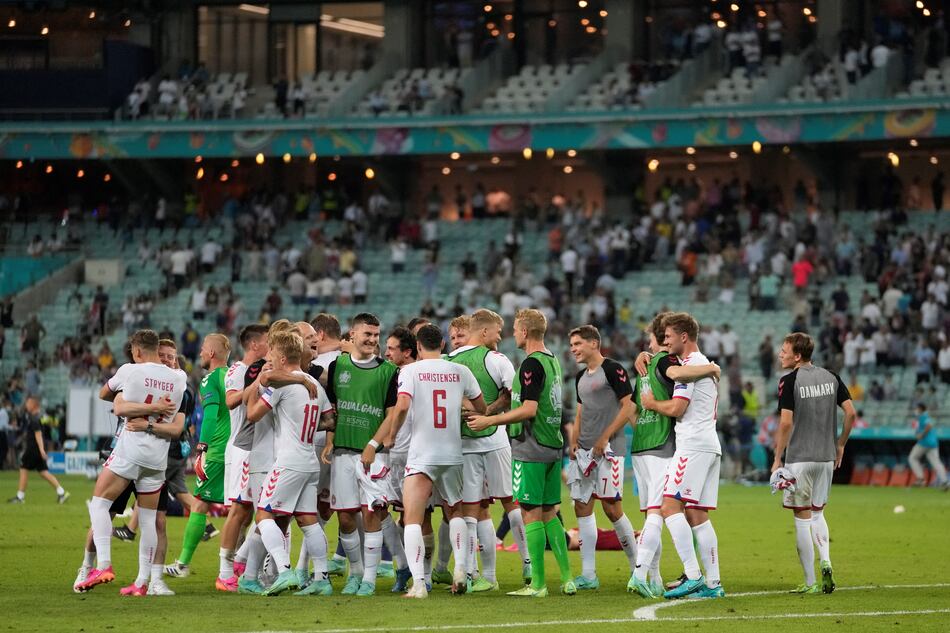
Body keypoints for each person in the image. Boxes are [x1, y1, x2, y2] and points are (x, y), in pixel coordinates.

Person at [362, 324, 486, 598]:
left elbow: (403, 405)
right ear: (442, 344)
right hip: (452, 453)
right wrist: (459, 404)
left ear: (418, 347)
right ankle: (461, 571)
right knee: (455, 513)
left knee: (414, 519)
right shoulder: (460, 371)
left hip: (422, 455)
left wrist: (392, 434)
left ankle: (419, 583)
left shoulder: (410, 371)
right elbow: (481, 408)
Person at [468, 308, 576, 597]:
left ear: (525, 332)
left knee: (529, 513)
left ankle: (538, 585)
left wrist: (489, 420)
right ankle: (568, 579)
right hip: (553, 445)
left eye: (515, 329)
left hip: (531, 446)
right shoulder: (553, 360)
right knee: (550, 513)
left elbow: (529, 409)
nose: (511, 334)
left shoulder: (530, 365)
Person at [75, 330, 186, 594]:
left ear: (136, 351)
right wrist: (156, 407)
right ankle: (142, 582)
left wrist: (135, 401)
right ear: (158, 349)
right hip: (158, 459)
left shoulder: (129, 371)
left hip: (130, 450)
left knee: (100, 504)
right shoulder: (180, 378)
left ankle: (103, 564)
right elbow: (172, 406)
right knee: (148, 521)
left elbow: (106, 396)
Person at [243, 329, 335, 595]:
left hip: (289, 460)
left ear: (282, 358)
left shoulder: (282, 386)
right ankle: (321, 579)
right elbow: (329, 419)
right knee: (308, 520)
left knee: (263, 515)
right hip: (310, 460)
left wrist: (256, 388)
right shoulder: (314, 384)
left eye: (273, 353)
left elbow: (252, 415)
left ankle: (284, 571)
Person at [640, 312, 724, 599]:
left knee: (668, 506)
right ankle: (713, 585)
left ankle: (693, 575)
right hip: (709, 443)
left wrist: (651, 404)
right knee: (696, 513)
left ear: (684, 337)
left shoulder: (690, 366)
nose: (665, 341)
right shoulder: (704, 365)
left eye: (669, 336)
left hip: (692, 445)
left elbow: (677, 409)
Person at [448, 309, 530, 591]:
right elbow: (512, 396)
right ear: (484, 332)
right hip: (495, 440)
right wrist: (489, 416)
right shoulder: (496, 359)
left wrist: (471, 415)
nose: (500, 336)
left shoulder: (450, 362)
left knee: (470, 508)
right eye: (497, 330)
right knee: (511, 501)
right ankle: (528, 565)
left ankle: (474, 574)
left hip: (465, 444)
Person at [772, 332, 856, 594]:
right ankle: (827, 561)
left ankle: (810, 582)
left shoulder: (789, 381)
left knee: (802, 520)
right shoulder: (832, 377)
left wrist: (777, 458)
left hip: (799, 460)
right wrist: (840, 444)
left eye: (784, 350)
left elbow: (786, 423)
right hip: (826, 458)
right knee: (818, 513)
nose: (780, 354)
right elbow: (851, 413)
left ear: (797, 356)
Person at [322, 313, 399, 596]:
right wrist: (330, 438)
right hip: (343, 450)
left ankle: (368, 578)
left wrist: (372, 444)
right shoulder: (337, 364)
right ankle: (354, 572)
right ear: (351, 336)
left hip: (373, 456)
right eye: (366, 334)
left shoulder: (389, 371)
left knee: (372, 514)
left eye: (376, 335)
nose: (372, 340)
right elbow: (332, 406)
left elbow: (392, 416)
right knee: (344, 517)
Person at [566, 325, 638, 590]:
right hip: (583, 452)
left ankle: (636, 570)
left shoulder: (613, 368)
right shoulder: (579, 377)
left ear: (594, 343)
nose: (573, 348)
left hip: (609, 451)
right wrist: (573, 440)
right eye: (571, 344)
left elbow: (629, 405)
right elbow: (580, 412)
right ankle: (589, 574)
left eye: (577, 343)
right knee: (581, 507)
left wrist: (605, 436)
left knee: (611, 508)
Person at [165, 334, 232, 578]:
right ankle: (247, 562)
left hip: (216, 451)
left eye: (203, 349)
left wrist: (202, 447)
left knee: (201, 504)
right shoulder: (234, 375)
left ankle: (182, 564)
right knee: (243, 507)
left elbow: (212, 416)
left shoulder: (210, 379)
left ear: (212, 354)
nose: (201, 353)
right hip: (238, 450)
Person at [216, 324, 270, 591]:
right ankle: (225, 571)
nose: (271, 345)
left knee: (250, 513)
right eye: (268, 341)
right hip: (242, 446)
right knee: (238, 511)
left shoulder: (259, 369)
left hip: (256, 446)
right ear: (254, 345)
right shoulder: (238, 371)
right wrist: (257, 384)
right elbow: (230, 401)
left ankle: (240, 563)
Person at [7, 396, 69, 504]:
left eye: (28, 403)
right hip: (37, 449)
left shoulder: (34, 418)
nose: (26, 405)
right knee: (43, 472)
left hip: (33, 449)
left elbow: (38, 434)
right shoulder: (36, 417)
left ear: (33, 405)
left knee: (23, 468)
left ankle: (20, 497)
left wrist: (41, 450)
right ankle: (61, 493)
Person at [909, 403, 948, 488]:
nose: (916, 410)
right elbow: (918, 427)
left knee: (912, 458)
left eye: (917, 408)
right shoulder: (921, 417)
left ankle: (921, 479)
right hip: (933, 444)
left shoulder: (924, 416)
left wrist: (921, 434)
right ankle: (945, 481)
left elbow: (929, 425)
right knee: (936, 463)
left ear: (920, 409)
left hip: (924, 443)